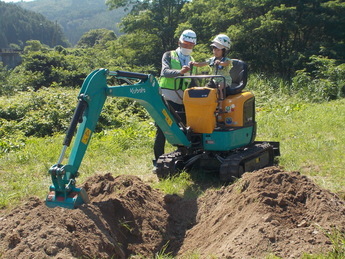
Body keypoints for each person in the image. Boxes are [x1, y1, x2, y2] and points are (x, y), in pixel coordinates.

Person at [153, 29, 197, 166]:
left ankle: (182, 158)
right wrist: (180, 72)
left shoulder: (193, 60)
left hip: (184, 100)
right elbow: (165, 72)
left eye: (191, 45)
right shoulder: (169, 55)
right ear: (179, 42)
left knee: (184, 130)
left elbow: (193, 81)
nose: (188, 47)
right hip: (167, 98)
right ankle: (157, 161)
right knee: (163, 129)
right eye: (185, 44)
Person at [191, 34, 232, 99]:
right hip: (214, 80)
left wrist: (220, 63)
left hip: (224, 80)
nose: (215, 52)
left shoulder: (227, 60)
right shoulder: (212, 59)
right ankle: (205, 103)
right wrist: (194, 63)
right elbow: (201, 64)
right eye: (214, 50)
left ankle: (220, 104)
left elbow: (226, 64)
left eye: (218, 50)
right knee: (205, 89)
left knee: (219, 87)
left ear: (223, 51)